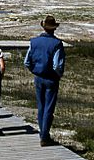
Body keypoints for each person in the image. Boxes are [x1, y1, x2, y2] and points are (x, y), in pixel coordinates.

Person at [24, 15, 65, 147]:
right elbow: (56, 65)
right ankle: (45, 136)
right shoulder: (57, 43)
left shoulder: (34, 41)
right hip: (51, 78)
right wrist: (59, 75)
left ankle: (43, 133)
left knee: (41, 106)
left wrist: (34, 70)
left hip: (38, 76)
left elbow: (27, 62)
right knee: (48, 107)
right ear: (54, 29)